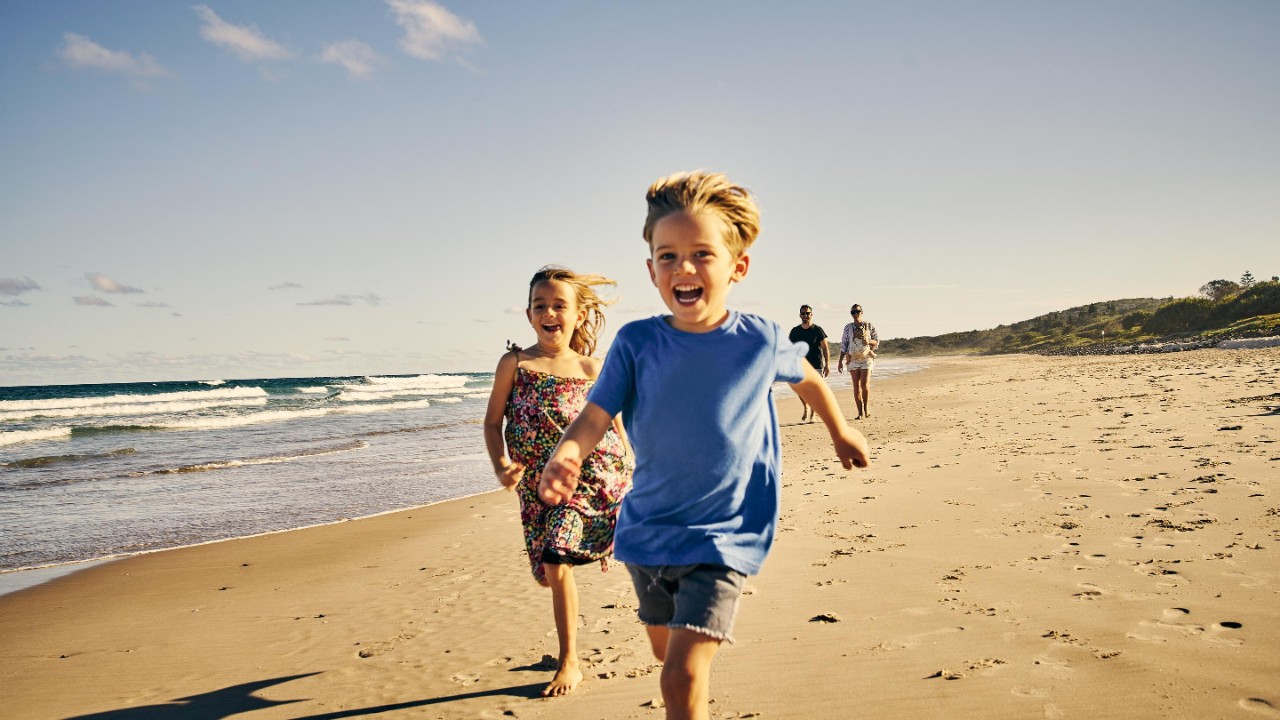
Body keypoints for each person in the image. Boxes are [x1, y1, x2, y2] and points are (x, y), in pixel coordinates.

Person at [538, 171, 871, 720]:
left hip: (725, 534)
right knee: (665, 654)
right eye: (667, 257)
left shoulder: (759, 338)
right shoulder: (637, 342)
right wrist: (568, 452)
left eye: (701, 254)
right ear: (650, 270)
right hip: (647, 532)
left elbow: (807, 376)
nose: (683, 268)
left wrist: (841, 430)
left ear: (738, 266)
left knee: (681, 675)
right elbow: (596, 413)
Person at [482, 265, 633, 698]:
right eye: (540, 306)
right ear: (529, 315)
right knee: (547, 572)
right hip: (536, 488)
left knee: (556, 558)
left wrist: (633, 463)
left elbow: (616, 426)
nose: (550, 312)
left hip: (591, 477)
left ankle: (571, 661)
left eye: (559, 305)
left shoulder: (590, 367)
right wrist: (501, 465)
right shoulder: (515, 363)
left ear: (579, 315)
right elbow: (493, 424)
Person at [788, 304, 830, 423]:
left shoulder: (818, 330)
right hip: (801, 365)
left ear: (812, 315)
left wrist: (827, 365)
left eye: (808, 313)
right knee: (800, 389)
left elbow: (825, 348)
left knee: (815, 391)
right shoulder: (795, 331)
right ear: (800, 315)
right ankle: (806, 407)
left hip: (817, 364)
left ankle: (813, 413)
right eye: (803, 313)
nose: (805, 315)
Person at [837, 304, 879, 419]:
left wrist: (869, 341)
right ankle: (860, 412)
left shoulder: (869, 325)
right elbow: (844, 345)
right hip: (853, 359)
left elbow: (876, 341)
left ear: (862, 312)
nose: (855, 314)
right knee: (856, 386)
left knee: (864, 384)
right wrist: (840, 361)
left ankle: (866, 408)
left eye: (857, 311)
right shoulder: (848, 328)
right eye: (853, 312)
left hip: (866, 358)